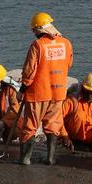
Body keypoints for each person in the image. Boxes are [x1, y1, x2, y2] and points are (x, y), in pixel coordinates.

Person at [19, 11, 74, 166]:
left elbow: (29, 71)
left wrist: (22, 89)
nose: (34, 33)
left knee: (30, 127)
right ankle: (50, 158)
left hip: (38, 93)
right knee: (53, 126)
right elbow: (68, 64)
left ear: (39, 29)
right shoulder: (66, 43)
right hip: (58, 93)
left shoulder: (38, 45)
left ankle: (25, 159)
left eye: (34, 30)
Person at [59, 72, 92, 152]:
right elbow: (57, 119)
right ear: (82, 88)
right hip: (74, 141)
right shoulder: (72, 102)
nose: (89, 96)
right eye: (87, 91)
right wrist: (64, 136)